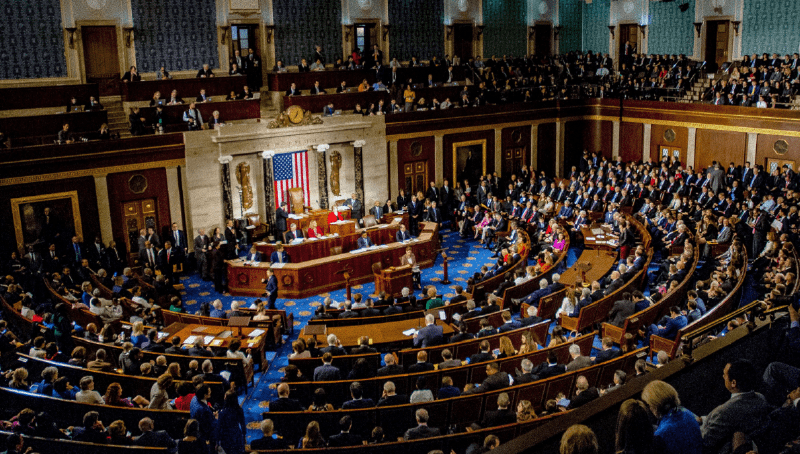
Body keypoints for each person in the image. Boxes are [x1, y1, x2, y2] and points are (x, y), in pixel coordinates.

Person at [700, 360, 773, 453]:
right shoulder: (760, 398)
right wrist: (703, 419)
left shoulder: (723, 412)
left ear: (733, 383)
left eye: (725, 374)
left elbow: (704, 442)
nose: (723, 377)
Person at [641, 380, 702, 454]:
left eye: (649, 405)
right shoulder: (687, 412)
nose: (649, 408)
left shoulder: (660, 435)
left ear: (655, 404)